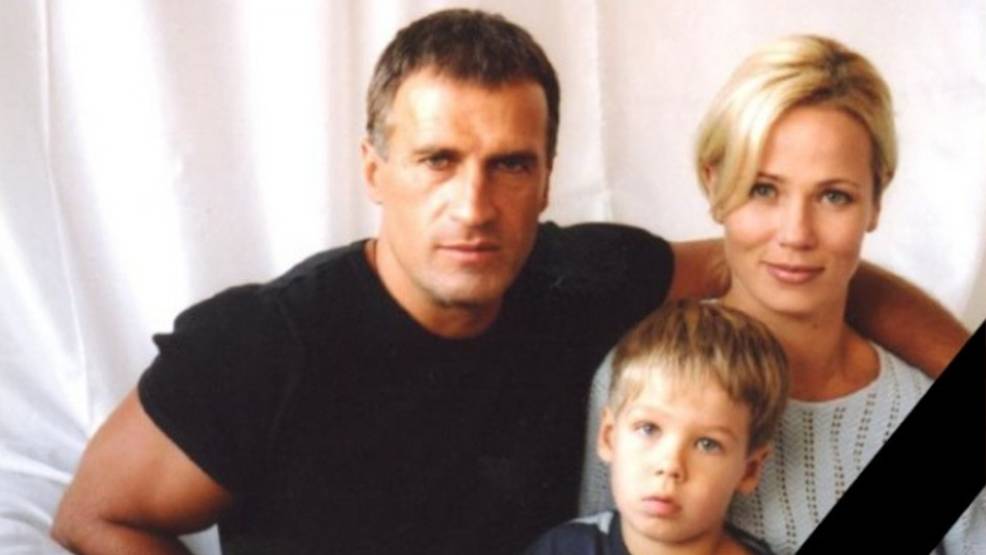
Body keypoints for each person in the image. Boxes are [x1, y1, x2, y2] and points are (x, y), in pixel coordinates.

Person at [51, 10, 967, 555]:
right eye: (438, 159)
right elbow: (93, 513)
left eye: (510, 165)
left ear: (547, 175)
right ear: (374, 168)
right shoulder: (266, 343)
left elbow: (780, 261)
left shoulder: (579, 281)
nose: (473, 205)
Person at [580, 35, 984, 554]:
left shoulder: (914, 402)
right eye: (764, 189)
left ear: (877, 200)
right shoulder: (641, 379)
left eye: (833, 196)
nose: (796, 234)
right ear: (714, 184)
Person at [526, 300, 788, 555]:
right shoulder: (562, 549)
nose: (670, 465)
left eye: (707, 444)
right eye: (648, 429)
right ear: (609, 436)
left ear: (749, 469)